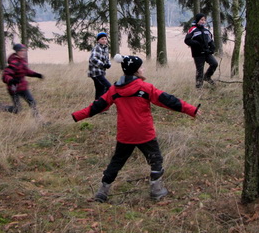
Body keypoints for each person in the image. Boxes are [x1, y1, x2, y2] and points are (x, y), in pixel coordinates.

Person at [72, 53, 200, 202]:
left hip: (125, 135)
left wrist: (77, 115)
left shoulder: (114, 90)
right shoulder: (145, 88)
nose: (143, 69)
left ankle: (102, 192)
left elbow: (97, 106)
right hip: (145, 134)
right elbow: (168, 100)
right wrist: (191, 110)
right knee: (156, 160)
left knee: (116, 162)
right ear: (136, 71)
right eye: (141, 67)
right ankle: (157, 191)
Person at [0, 43, 44, 116]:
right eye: (21, 51)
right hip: (14, 88)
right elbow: (5, 75)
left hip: (23, 87)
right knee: (17, 109)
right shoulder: (14, 63)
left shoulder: (22, 61)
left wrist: (36, 75)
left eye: (24, 51)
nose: (23, 52)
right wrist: (11, 80)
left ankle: (38, 120)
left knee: (33, 103)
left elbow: (26, 71)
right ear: (17, 52)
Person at [184, 13, 218, 88]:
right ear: (197, 20)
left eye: (204, 20)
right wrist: (196, 43)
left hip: (207, 52)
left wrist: (212, 47)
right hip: (197, 53)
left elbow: (210, 40)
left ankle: (207, 76)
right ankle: (199, 88)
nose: (203, 21)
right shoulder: (192, 29)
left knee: (214, 63)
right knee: (200, 71)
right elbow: (187, 40)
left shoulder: (206, 30)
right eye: (201, 20)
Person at [88, 32, 111, 99]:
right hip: (96, 73)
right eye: (102, 39)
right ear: (98, 40)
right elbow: (92, 59)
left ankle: (97, 103)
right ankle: (103, 101)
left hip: (101, 72)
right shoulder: (97, 48)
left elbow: (107, 59)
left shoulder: (105, 48)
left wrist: (108, 64)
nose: (104, 40)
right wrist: (103, 65)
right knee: (108, 86)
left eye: (105, 39)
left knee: (100, 89)